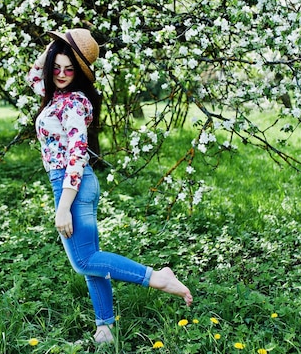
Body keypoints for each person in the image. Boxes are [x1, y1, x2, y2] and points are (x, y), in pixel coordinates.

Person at [25, 28, 193, 344]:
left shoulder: (72, 103)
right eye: (56, 67)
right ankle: (105, 328)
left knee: (85, 261)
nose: (60, 74)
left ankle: (158, 278)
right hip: (71, 184)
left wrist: (63, 207)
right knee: (92, 259)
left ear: (79, 73)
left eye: (69, 69)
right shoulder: (56, 96)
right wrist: (59, 45)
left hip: (71, 184)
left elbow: (76, 155)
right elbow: (35, 76)